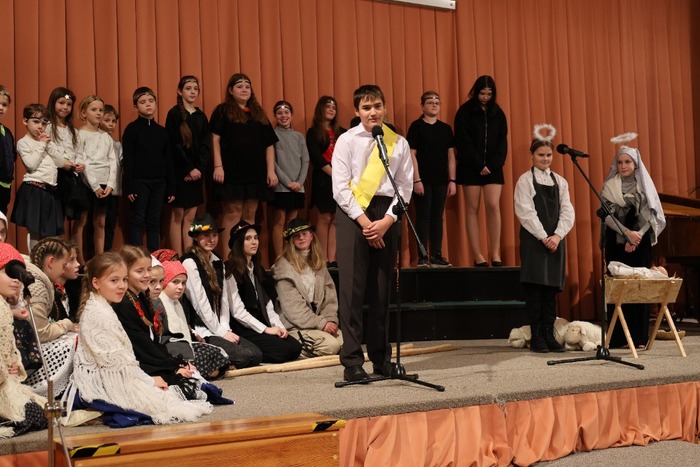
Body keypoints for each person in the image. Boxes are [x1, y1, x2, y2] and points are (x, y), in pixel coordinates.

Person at [66, 251, 212, 425]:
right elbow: (118, 364)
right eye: (114, 281)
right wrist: (150, 380)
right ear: (96, 283)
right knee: (165, 400)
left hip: (124, 371)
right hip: (104, 380)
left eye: (124, 280)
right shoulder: (99, 313)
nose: (121, 286)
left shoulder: (105, 305)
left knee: (171, 394)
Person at [332, 84, 413, 382]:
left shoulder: (397, 142)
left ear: (384, 107)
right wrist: (367, 223)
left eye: (377, 106)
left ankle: (382, 358)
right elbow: (340, 188)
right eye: (366, 108)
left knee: (381, 290)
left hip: (386, 214)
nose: (373, 112)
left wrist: (388, 220)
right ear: (357, 111)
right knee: (352, 291)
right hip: (354, 214)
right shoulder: (346, 140)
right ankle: (352, 361)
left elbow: (404, 185)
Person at [114, 245, 204, 400]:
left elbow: (153, 342)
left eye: (148, 269)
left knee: (194, 380)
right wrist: (172, 368)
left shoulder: (141, 298)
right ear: (125, 272)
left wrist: (175, 363)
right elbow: (141, 346)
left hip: (146, 357)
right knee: (183, 388)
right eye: (139, 271)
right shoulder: (124, 303)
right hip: (135, 363)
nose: (146, 275)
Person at [601, 133, 666, 348]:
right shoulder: (609, 186)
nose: (623, 166)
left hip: (640, 241)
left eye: (627, 162)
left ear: (635, 164)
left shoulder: (644, 186)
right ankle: (618, 338)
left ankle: (638, 337)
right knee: (620, 288)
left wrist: (636, 237)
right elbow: (607, 216)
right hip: (616, 241)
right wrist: (626, 233)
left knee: (639, 287)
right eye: (620, 162)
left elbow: (651, 215)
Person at [514, 127, 574, 353]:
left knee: (550, 291)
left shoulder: (560, 181)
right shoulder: (525, 181)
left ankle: (549, 335)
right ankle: (537, 335)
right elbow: (525, 212)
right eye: (541, 155)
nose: (545, 159)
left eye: (549, 155)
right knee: (535, 290)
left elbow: (567, 211)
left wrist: (557, 235)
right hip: (534, 240)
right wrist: (543, 236)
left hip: (555, 240)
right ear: (532, 155)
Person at [181, 213, 263, 369]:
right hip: (203, 330)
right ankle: (219, 361)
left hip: (219, 326)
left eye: (214, 235)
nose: (211, 239)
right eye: (206, 235)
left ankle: (224, 359)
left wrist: (225, 327)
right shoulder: (190, 262)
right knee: (243, 357)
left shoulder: (218, 262)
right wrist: (220, 332)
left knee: (256, 354)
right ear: (196, 237)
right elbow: (200, 304)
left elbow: (224, 300)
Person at [210, 73, 278, 257]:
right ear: (231, 91)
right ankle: (228, 259)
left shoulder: (258, 113)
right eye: (239, 86)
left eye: (247, 86)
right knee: (233, 212)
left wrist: (271, 171)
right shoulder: (223, 111)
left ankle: (247, 259)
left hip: (255, 172)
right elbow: (215, 139)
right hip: (231, 171)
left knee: (250, 213)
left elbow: (269, 144)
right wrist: (218, 166)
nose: (244, 89)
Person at [225, 220, 302, 363]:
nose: (254, 242)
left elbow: (267, 304)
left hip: (260, 323)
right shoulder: (230, 270)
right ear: (238, 243)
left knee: (295, 347)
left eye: (256, 238)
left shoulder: (257, 269)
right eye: (248, 239)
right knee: (283, 352)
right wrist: (265, 329)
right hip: (243, 327)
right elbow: (237, 312)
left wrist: (278, 326)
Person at [454, 75, 508, 267]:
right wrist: (478, 164)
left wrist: (492, 165)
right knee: (472, 209)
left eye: (489, 94)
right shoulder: (465, 112)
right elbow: (463, 141)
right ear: (475, 92)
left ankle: (495, 253)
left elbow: (502, 142)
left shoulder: (498, 113)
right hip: (470, 166)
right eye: (482, 93)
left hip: (493, 167)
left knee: (493, 205)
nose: (485, 97)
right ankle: (478, 256)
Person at [272, 218, 342, 357]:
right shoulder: (284, 267)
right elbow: (293, 308)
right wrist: (322, 324)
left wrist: (330, 319)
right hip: (296, 325)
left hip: (318, 321)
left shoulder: (318, 262)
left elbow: (329, 296)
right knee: (332, 346)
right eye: (296, 236)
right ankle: (294, 349)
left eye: (304, 233)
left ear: (311, 236)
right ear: (291, 241)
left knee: (344, 343)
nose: (301, 238)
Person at [0, 243, 48, 437]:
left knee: (43, 412)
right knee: (32, 416)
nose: (16, 280)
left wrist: (14, 365)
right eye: (8, 273)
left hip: (5, 381)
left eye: (18, 274)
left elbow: (9, 349)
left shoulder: (3, 307)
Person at [21, 238, 79, 397]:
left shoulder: (38, 281)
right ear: (51, 262)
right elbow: (40, 333)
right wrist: (67, 324)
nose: (64, 269)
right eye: (64, 264)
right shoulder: (36, 286)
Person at [406, 91, 456, 267]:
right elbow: (411, 154)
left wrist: (452, 180)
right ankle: (422, 256)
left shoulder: (445, 129)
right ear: (422, 106)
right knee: (423, 217)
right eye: (430, 102)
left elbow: (451, 156)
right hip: (423, 180)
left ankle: (436, 255)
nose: (434, 105)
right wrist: (416, 180)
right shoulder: (416, 126)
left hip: (441, 180)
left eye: (437, 102)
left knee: (437, 218)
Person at [122, 87, 175, 251]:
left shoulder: (162, 131)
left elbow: (169, 160)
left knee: (154, 220)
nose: (148, 104)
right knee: (138, 218)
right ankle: (136, 256)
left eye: (151, 101)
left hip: (160, 182)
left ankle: (154, 255)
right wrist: (129, 185)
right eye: (143, 102)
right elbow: (128, 159)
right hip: (140, 181)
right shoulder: (131, 129)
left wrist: (171, 187)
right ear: (136, 106)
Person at [160, 260, 230, 379]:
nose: (180, 287)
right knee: (212, 367)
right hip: (171, 347)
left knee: (216, 352)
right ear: (165, 281)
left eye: (183, 283)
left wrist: (192, 333)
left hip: (184, 344)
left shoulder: (176, 302)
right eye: (175, 282)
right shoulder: (158, 303)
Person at [10, 104, 66, 248]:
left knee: (53, 235)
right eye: (35, 122)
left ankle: (50, 261)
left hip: (50, 191)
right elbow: (31, 164)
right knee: (35, 231)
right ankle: (34, 260)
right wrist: (42, 145)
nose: (40, 126)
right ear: (25, 121)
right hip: (34, 189)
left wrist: (49, 144)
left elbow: (61, 162)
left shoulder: (46, 142)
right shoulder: (23, 143)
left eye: (44, 123)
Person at [166, 76, 211, 255]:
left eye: (195, 89)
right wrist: (189, 168)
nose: (192, 92)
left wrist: (199, 168)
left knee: (190, 217)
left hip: (197, 173)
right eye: (188, 88)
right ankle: (178, 257)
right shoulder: (174, 114)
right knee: (177, 215)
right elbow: (174, 145)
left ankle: (188, 255)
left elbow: (206, 145)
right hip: (180, 172)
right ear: (180, 91)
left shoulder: (201, 116)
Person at [75, 95, 118, 263]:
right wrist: (94, 186)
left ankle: (99, 259)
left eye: (101, 110)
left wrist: (110, 184)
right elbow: (83, 160)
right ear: (83, 113)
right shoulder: (80, 135)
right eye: (94, 110)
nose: (98, 113)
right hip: (86, 183)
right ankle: (80, 261)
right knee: (82, 221)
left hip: (104, 184)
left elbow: (112, 161)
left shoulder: (106, 136)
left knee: (100, 221)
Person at [307, 96, 345, 268]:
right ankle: (322, 258)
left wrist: (341, 175)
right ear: (320, 109)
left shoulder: (342, 132)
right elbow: (316, 157)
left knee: (336, 218)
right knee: (324, 217)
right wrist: (334, 174)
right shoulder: (313, 132)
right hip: (324, 178)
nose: (331, 109)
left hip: (341, 178)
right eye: (328, 106)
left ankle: (333, 258)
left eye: (334, 107)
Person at [269, 100, 310, 259]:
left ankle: (291, 256)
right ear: (275, 116)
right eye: (279, 113)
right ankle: (280, 258)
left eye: (286, 112)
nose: (283, 116)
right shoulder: (273, 135)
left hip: (297, 187)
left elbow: (305, 160)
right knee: (279, 221)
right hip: (281, 187)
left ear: (291, 115)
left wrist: (299, 182)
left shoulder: (299, 136)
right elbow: (273, 162)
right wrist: (287, 182)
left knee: (292, 222)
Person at [46, 87, 88, 226]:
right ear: (53, 103)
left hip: (71, 176)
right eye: (61, 103)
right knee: (55, 217)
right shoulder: (47, 127)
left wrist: (80, 163)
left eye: (69, 104)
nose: (65, 107)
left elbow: (79, 151)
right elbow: (49, 149)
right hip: (55, 176)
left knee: (71, 215)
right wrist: (63, 162)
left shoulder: (73, 131)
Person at [99, 104, 122, 251]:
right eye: (107, 120)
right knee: (98, 224)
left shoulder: (117, 145)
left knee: (110, 224)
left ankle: (107, 252)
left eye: (113, 121)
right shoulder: (97, 141)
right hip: (100, 187)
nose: (111, 124)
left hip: (114, 191)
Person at [0, 85, 16, 214]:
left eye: (4, 105)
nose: (1, 108)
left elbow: (12, 156)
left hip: (5, 185)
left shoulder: (7, 132)